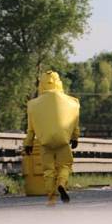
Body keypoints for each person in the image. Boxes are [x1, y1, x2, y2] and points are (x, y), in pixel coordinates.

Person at [23, 71, 80, 205]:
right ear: (59, 83)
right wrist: (75, 137)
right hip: (63, 140)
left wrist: (28, 143)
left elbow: (30, 129)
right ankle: (61, 183)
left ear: (41, 84)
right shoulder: (72, 102)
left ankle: (51, 197)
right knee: (65, 165)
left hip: (45, 141)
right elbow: (75, 122)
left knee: (48, 170)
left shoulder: (33, 104)